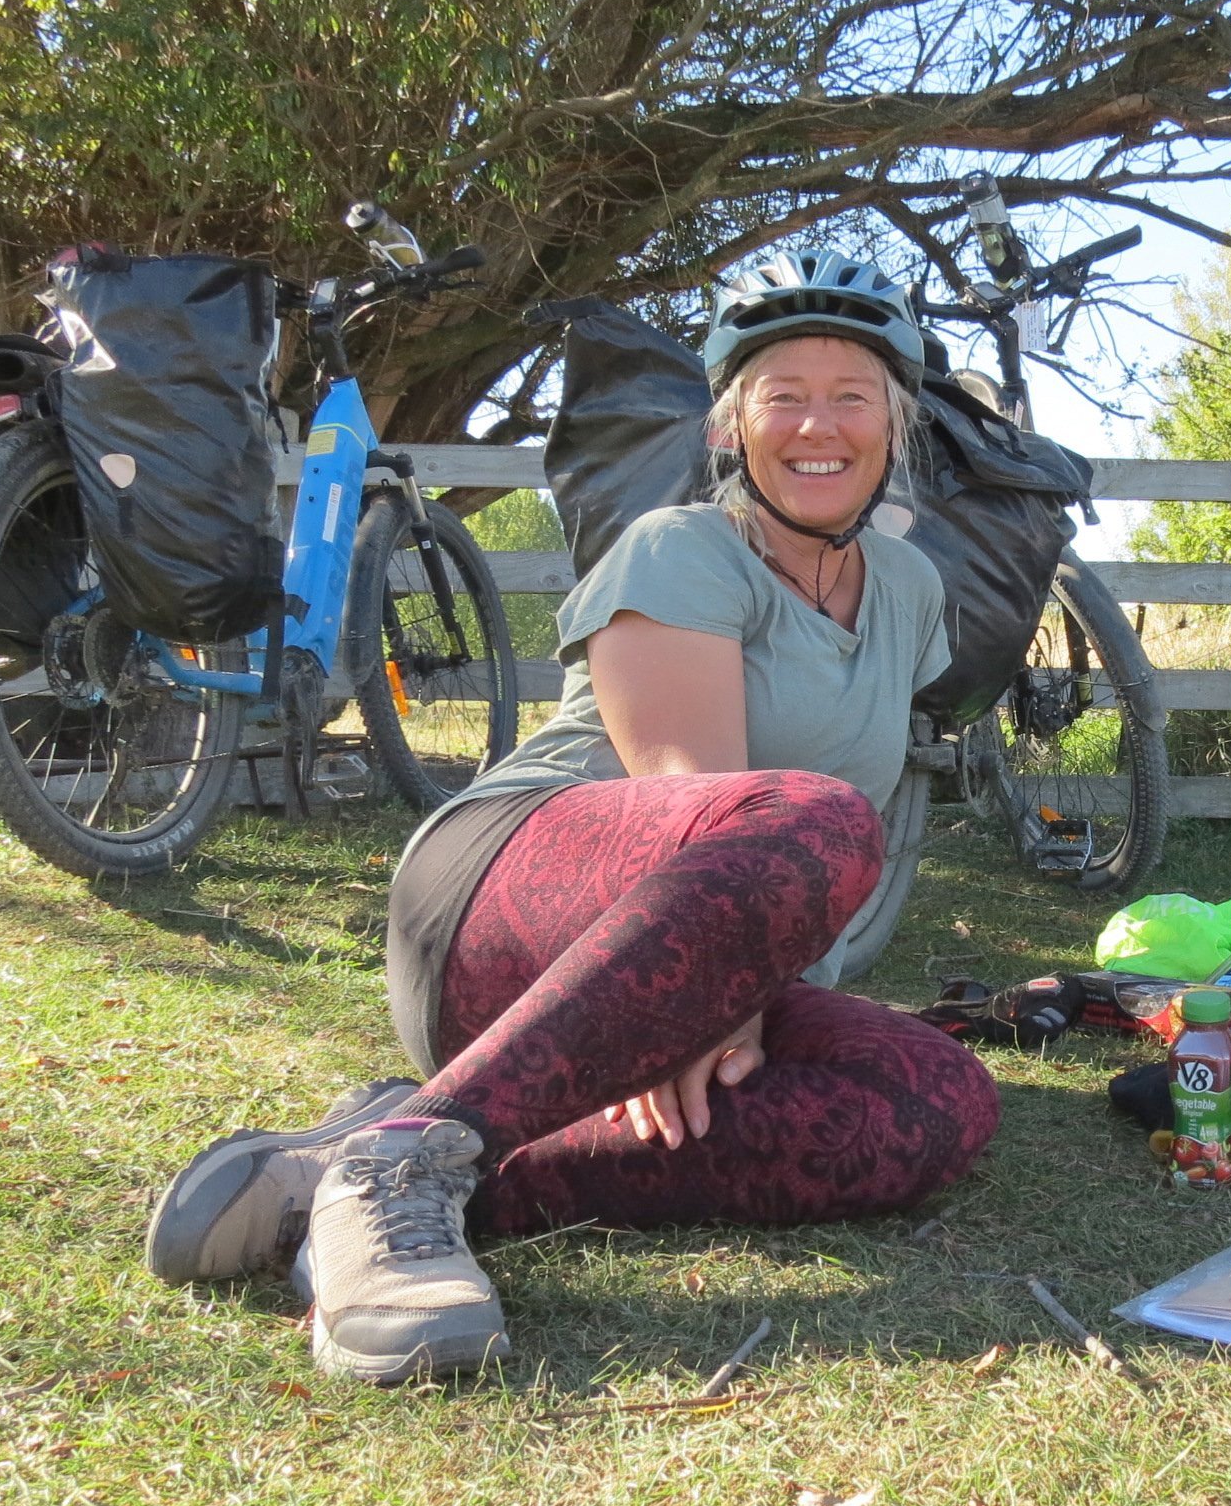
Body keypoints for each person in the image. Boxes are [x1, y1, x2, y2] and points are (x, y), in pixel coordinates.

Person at [142, 249, 999, 1381]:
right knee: (821, 820)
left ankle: (384, 1167)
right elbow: (688, 793)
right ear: (731, 426)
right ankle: (404, 1160)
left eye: (851, 395)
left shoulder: (909, 589)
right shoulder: (678, 548)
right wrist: (712, 987)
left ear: (894, 424)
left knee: (936, 1100)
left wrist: (729, 988)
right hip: (500, 899)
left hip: (697, 948)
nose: (816, 425)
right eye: (781, 394)